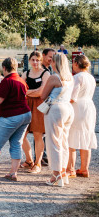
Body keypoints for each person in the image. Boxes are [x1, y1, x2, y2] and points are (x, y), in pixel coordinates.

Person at [40, 52, 74, 186]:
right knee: (64, 141)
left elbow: (43, 96)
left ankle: (56, 174)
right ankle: (63, 171)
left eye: (52, 61)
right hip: (68, 109)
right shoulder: (70, 77)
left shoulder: (54, 77)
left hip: (56, 109)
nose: (50, 62)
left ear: (55, 63)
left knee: (53, 141)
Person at [19, 51, 50, 173]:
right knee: (22, 134)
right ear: (30, 61)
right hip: (25, 105)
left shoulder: (45, 73)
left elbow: (41, 92)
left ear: (41, 60)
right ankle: (29, 160)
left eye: (37, 60)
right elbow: (20, 89)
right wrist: (31, 92)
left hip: (39, 106)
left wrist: (27, 92)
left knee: (38, 134)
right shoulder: (26, 73)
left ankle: (38, 164)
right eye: (33, 60)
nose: (35, 62)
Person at [67, 54, 96, 178]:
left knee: (71, 139)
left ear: (76, 64)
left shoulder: (77, 77)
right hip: (89, 106)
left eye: (73, 63)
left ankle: (70, 169)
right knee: (86, 137)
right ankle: (84, 169)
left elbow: (73, 97)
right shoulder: (91, 78)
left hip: (78, 107)